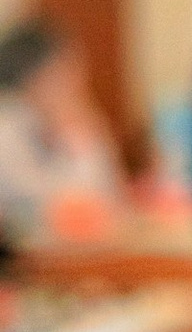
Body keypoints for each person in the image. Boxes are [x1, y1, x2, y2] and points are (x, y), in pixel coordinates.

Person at [0, 18, 127, 245]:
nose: (78, 79)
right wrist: (80, 140)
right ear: (34, 73)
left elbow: (113, 198)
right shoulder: (9, 123)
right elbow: (67, 207)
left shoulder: (67, 118)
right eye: (66, 67)